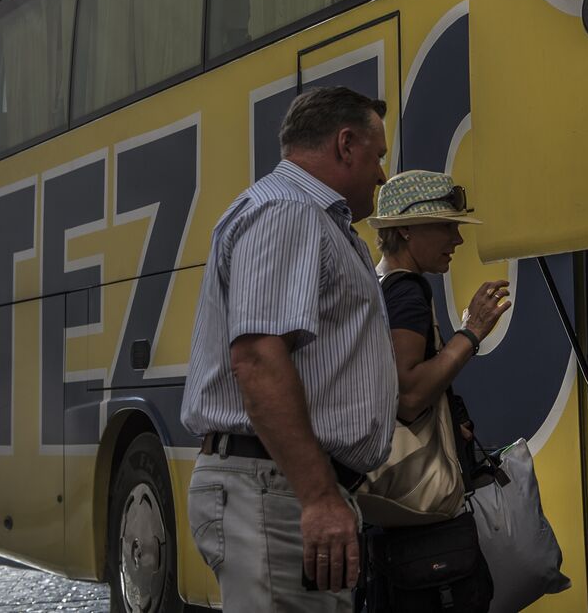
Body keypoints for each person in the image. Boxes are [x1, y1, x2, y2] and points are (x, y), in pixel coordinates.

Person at [181, 85, 395, 610]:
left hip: (279, 485)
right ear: (346, 144)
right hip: (276, 487)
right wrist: (319, 496)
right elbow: (257, 359)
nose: (382, 175)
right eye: (378, 156)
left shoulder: (302, 214)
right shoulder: (289, 211)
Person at [360, 169, 513, 610]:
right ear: (405, 229)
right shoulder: (408, 291)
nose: (457, 239)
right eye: (446, 225)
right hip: (425, 523)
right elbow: (409, 394)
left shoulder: (377, 284)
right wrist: (471, 334)